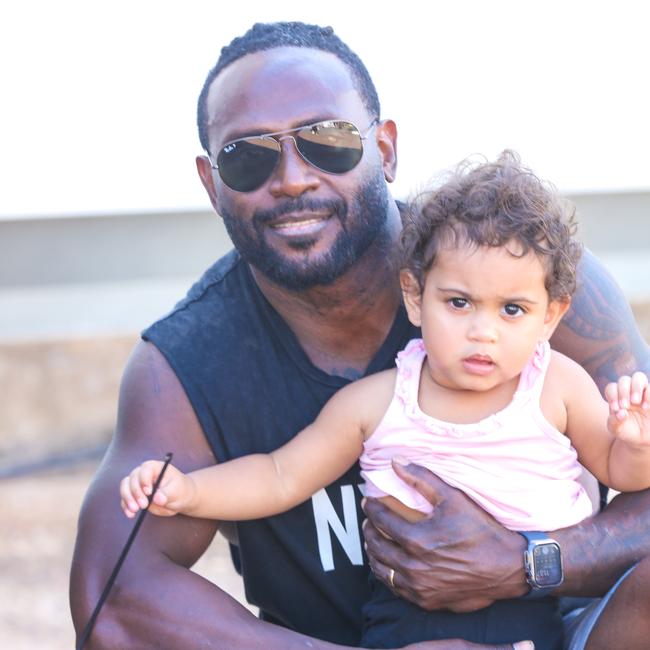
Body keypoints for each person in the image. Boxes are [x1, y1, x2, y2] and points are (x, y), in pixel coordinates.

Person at [70, 21, 650, 650]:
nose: (292, 178)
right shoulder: (183, 367)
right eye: (248, 156)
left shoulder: (519, 281)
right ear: (213, 186)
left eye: (328, 140)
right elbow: (117, 600)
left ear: (386, 149)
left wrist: (527, 561)